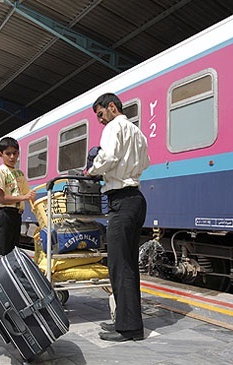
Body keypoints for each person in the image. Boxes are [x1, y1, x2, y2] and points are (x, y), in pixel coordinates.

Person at [86, 92, 150, 342]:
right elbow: (145, 163)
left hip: (121, 201)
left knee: (118, 265)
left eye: (100, 114)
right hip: (136, 199)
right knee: (128, 265)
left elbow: (109, 156)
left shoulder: (115, 126)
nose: (100, 120)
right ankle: (126, 322)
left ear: (111, 107)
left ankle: (129, 328)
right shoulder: (138, 133)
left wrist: (92, 171)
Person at [0, 136, 36, 260]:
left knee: (11, 254)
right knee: (1, 255)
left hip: (16, 216)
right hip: (3, 216)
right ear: (1, 154)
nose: (12, 157)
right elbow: (1, 198)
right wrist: (24, 197)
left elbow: (28, 193)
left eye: (14, 153)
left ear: (18, 153)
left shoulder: (19, 174)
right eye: (8, 154)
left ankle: (9, 278)